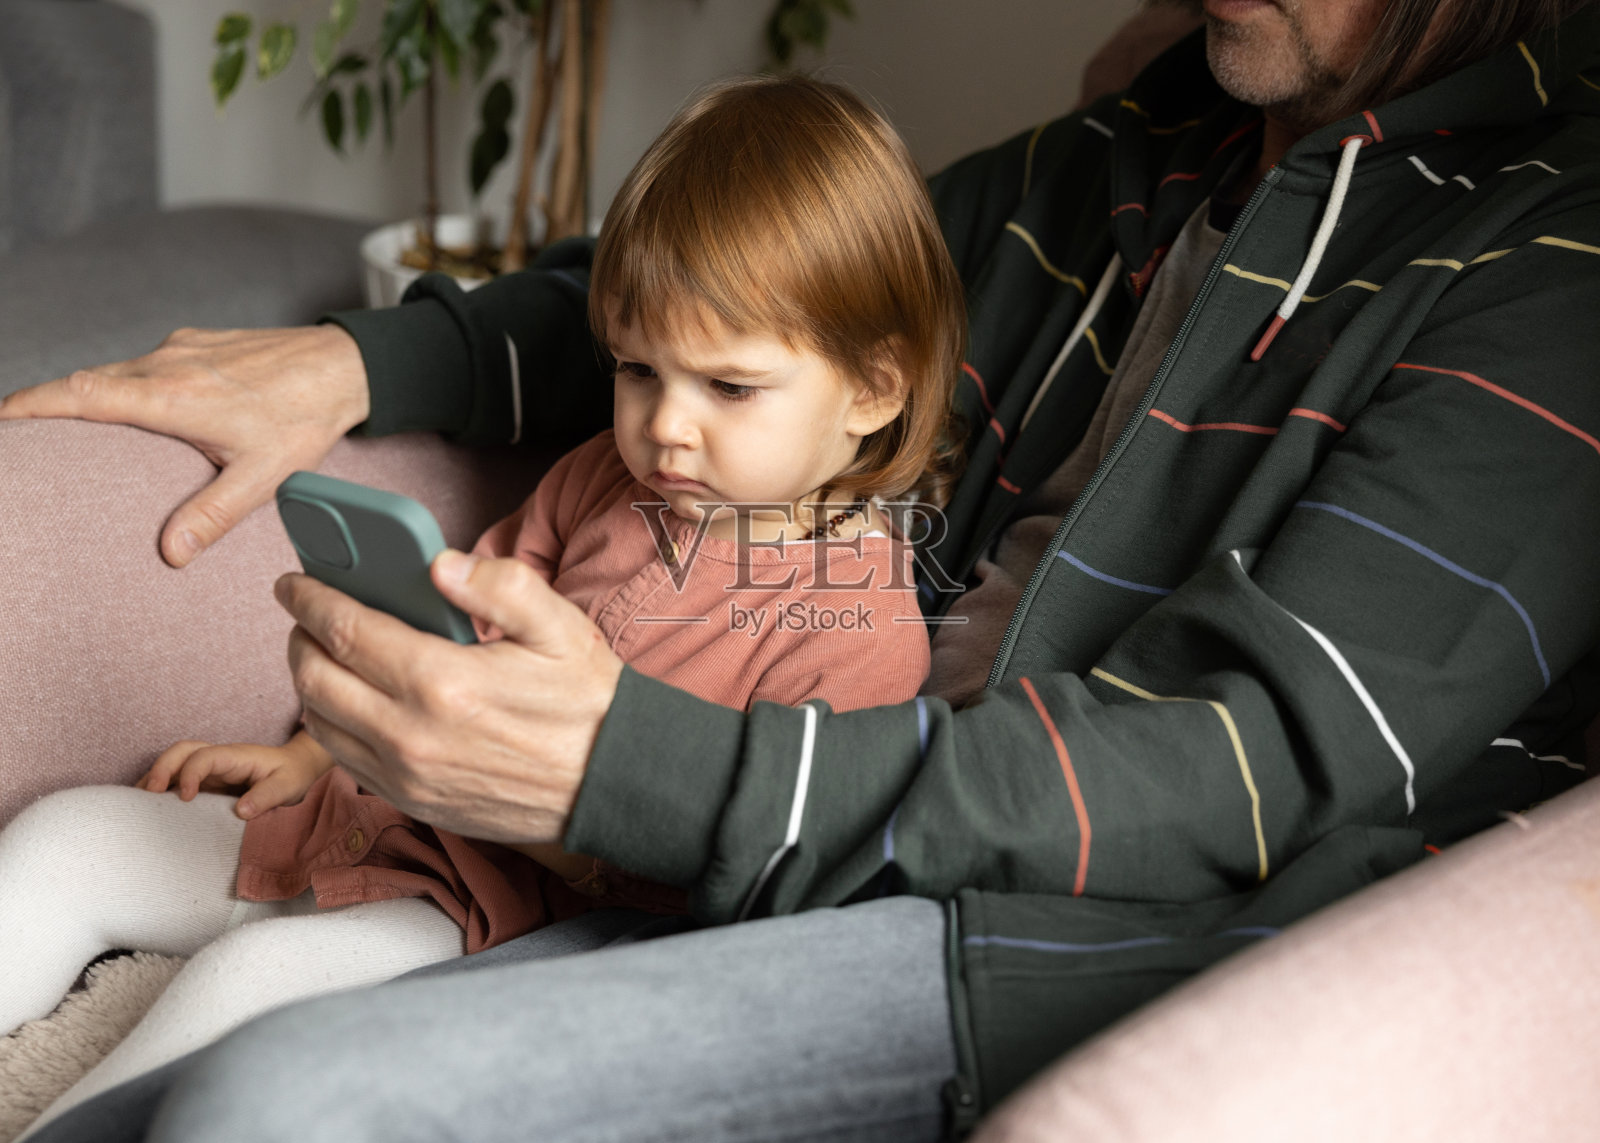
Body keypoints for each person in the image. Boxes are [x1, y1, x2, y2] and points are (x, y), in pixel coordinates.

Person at [4, 0, 1599, 1138]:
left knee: (280, 1094)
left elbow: (1243, 766)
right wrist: (352, 368)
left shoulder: (1552, 257)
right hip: (720, 826)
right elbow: (709, 307)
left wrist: (628, 767)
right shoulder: (1150, 135)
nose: (668, 425)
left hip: (1036, 921)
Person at [0, 76, 954, 1133]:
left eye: (728, 388)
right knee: (68, 839)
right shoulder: (602, 477)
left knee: (254, 981)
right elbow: (445, 635)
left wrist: (534, 819)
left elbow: (745, 903)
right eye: (639, 369)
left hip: (477, 914)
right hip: (363, 814)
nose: (666, 428)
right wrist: (316, 753)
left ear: (872, 389)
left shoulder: (856, 631)